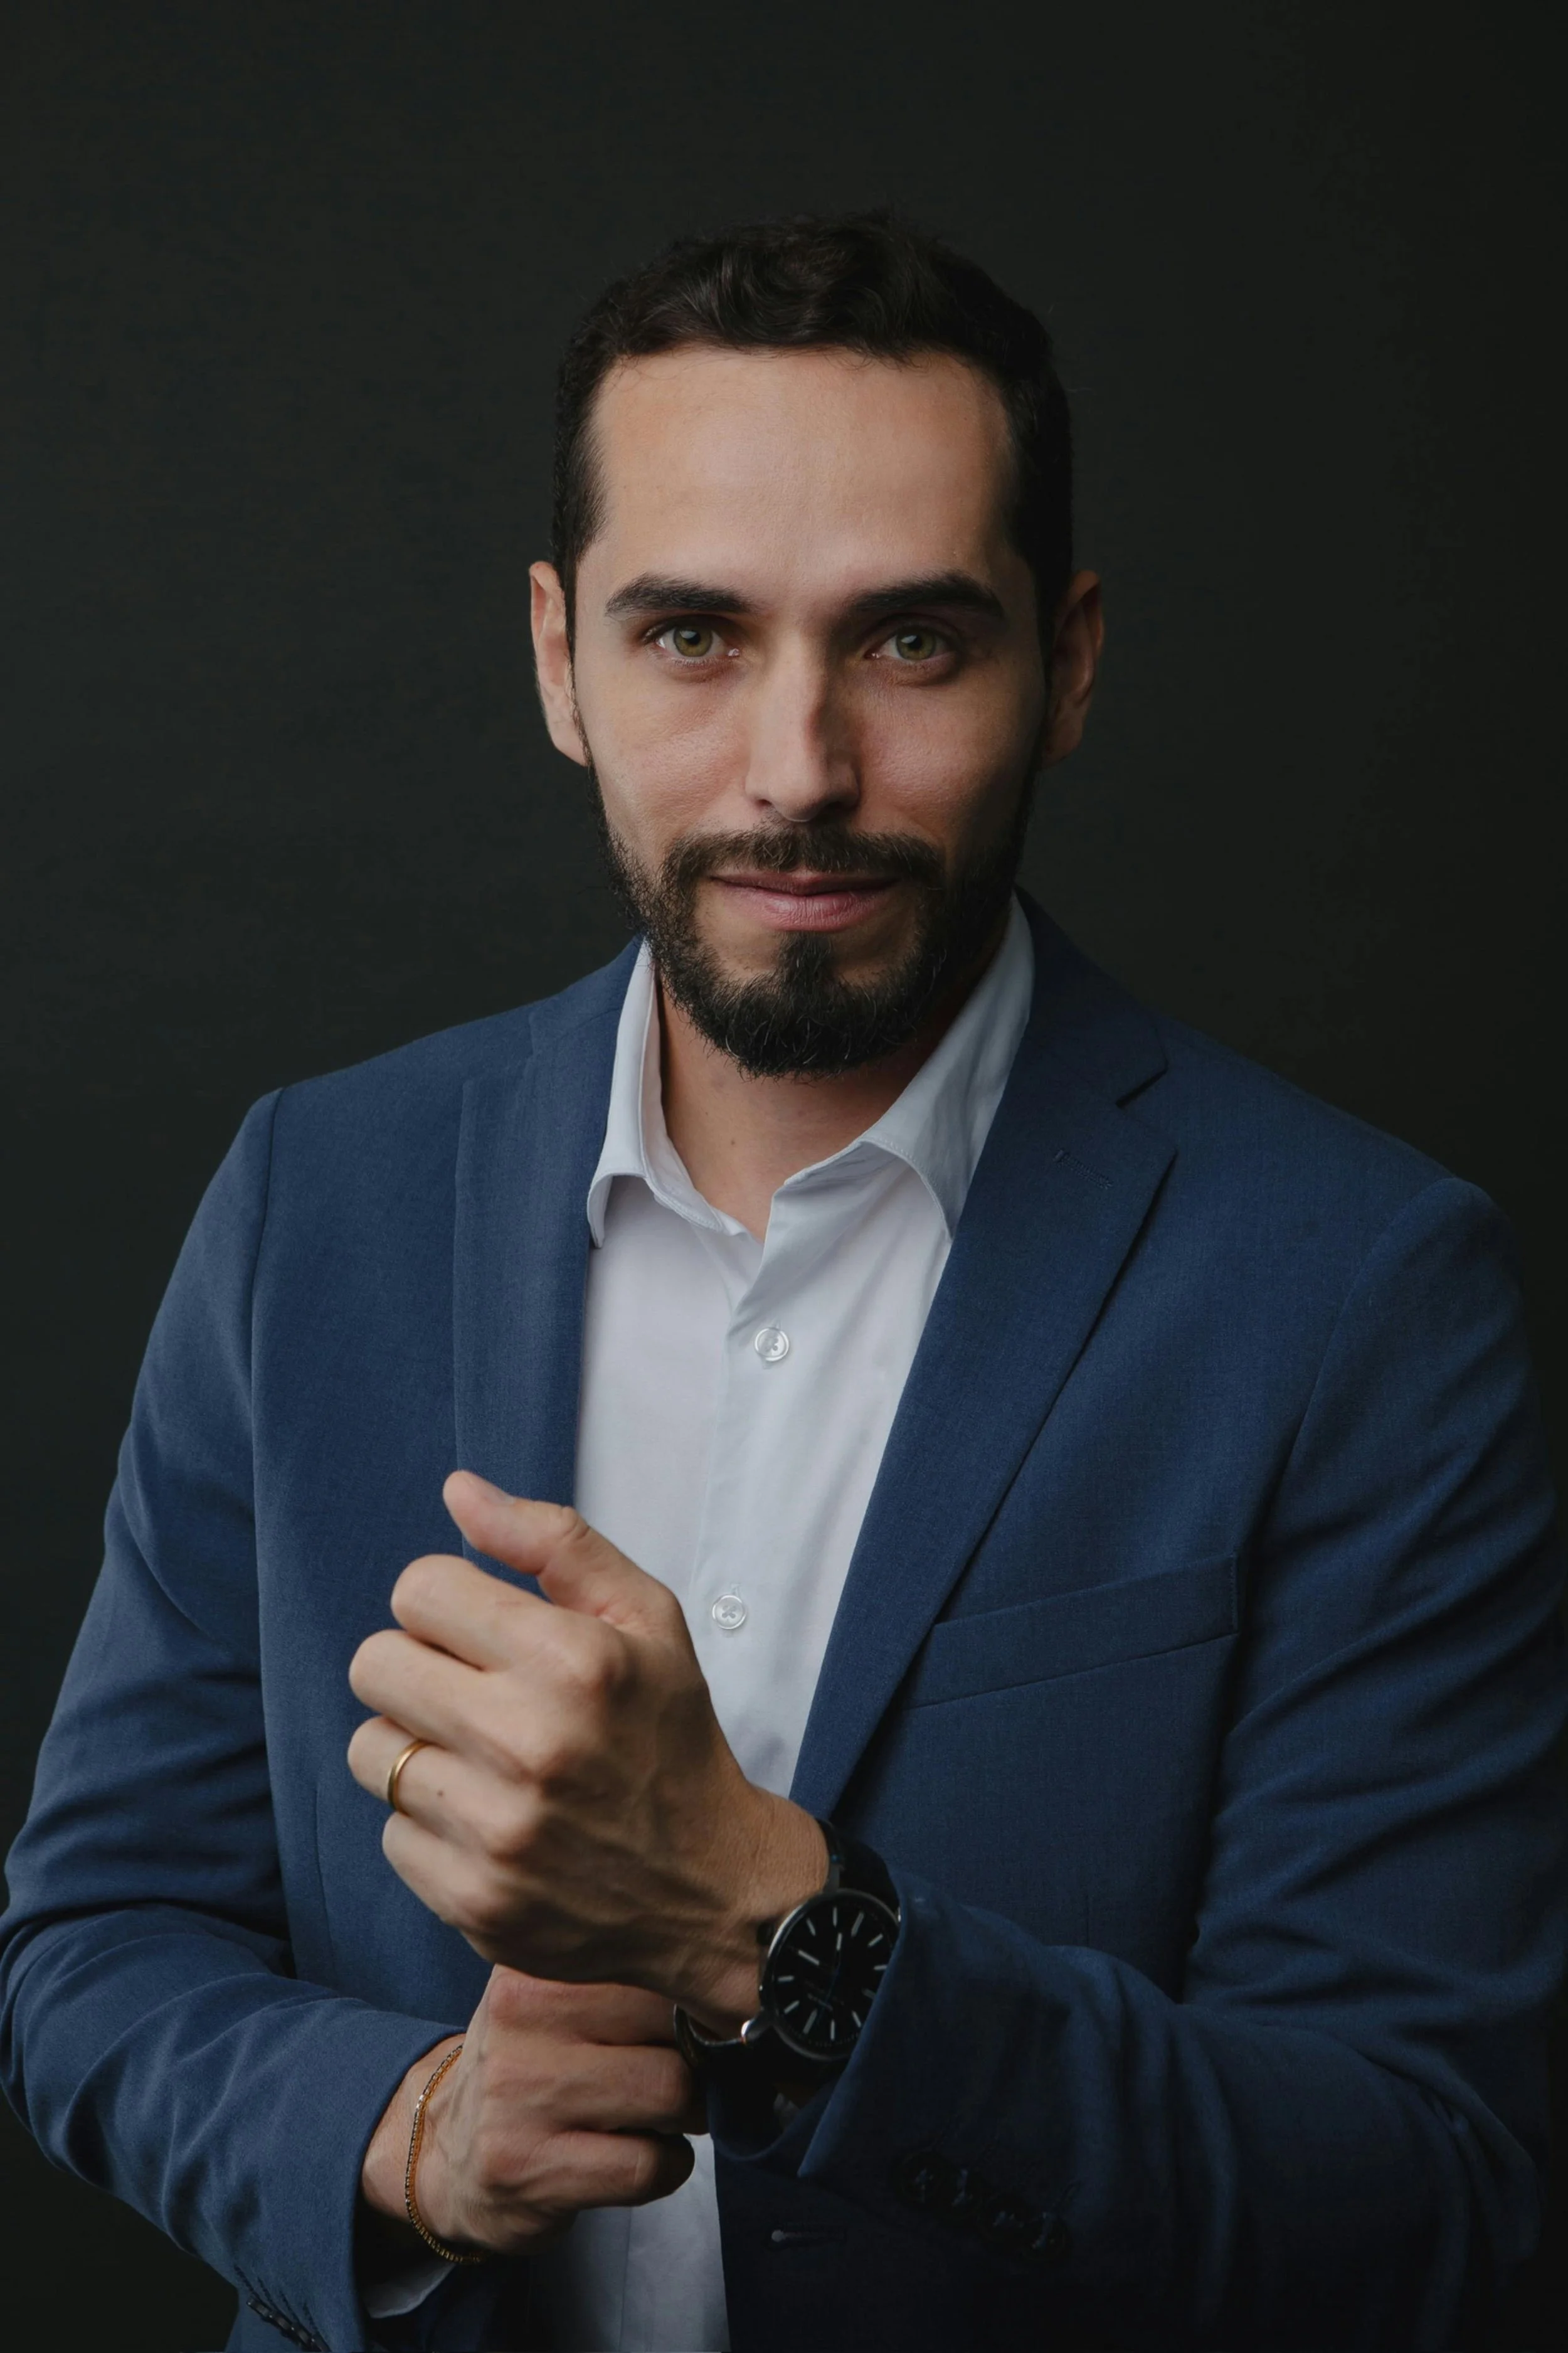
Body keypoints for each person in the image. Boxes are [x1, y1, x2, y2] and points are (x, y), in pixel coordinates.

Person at [1, 212, 1563, 2353]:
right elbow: (92, 1943)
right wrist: (413, 2132)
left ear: (1071, 659)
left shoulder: (1356, 1289)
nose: (798, 768)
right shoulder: (316, 1199)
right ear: (558, 659)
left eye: (912, 642)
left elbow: (1419, 2183)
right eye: (692, 637)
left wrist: (776, 1929)